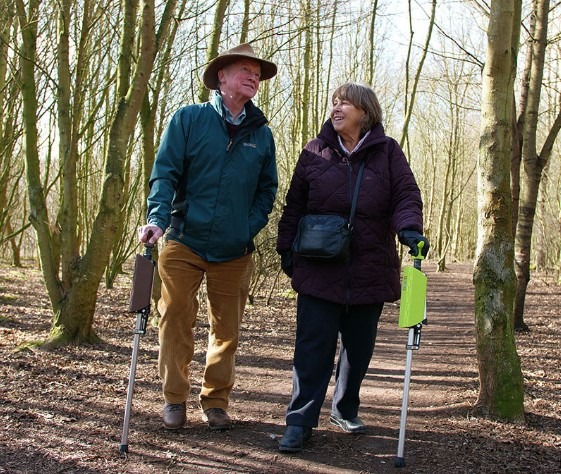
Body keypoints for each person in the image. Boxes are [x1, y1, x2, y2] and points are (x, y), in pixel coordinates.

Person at [276, 82, 429, 452]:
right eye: (334, 102)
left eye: (345, 102)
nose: (337, 107)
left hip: (369, 266)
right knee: (313, 347)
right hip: (318, 265)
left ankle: (345, 408)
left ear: (366, 111)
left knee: (359, 348)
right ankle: (299, 419)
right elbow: (294, 205)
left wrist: (409, 228)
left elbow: (406, 194)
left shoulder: (388, 152)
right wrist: (287, 249)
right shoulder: (314, 151)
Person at [138, 43, 278, 431]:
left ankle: (215, 402)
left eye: (257, 73)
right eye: (245, 70)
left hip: (234, 250)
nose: (253, 77)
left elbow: (268, 189)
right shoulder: (188, 119)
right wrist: (157, 219)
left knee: (227, 330)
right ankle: (174, 399)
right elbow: (164, 174)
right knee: (175, 319)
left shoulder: (262, 135)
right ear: (222, 77)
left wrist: (247, 227)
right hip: (184, 240)